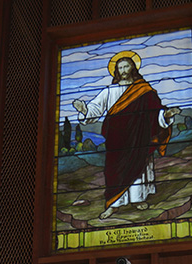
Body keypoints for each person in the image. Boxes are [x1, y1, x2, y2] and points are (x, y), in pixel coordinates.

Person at [72, 51, 181, 220]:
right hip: (117, 139)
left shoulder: (144, 90)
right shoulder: (110, 91)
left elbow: (154, 112)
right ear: (116, 70)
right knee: (114, 170)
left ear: (133, 67)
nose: (123, 69)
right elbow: (96, 108)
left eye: (126, 66)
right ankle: (113, 205)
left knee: (138, 167)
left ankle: (138, 199)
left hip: (138, 137)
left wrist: (165, 115)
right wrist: (85, 110)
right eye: (120, 67)